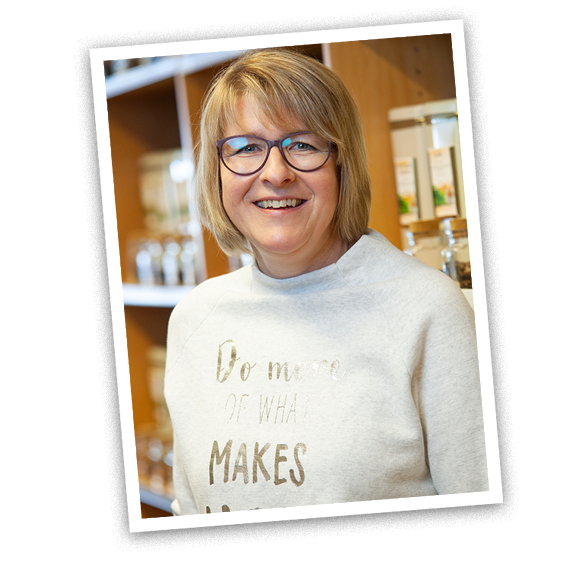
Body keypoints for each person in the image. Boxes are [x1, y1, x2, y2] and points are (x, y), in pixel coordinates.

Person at [164, 48, 489, 516]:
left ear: (341, 162)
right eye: (246, 148)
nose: (276, 173)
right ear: (216, 172)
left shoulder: (427, 309)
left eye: (303, 144)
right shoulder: (195, 319)